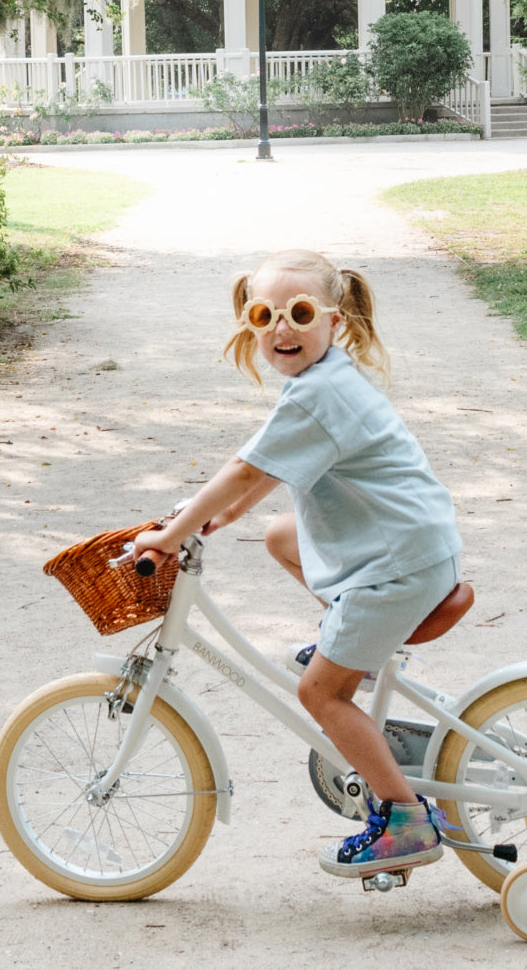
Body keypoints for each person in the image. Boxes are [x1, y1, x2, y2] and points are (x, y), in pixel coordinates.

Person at [134, 248, 462, 878]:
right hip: (409, 546)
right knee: (283, 535)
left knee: (320, 693)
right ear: (251, 325)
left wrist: (172, 535)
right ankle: (360, 653)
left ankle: (406, 820)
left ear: (335, 322)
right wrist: (223, 515)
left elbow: (246, 468)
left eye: (300, 313)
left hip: (398, 566)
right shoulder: (324, 379)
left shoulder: (319, 393)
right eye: (265, 315)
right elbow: (273, 464)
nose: (282, 328)